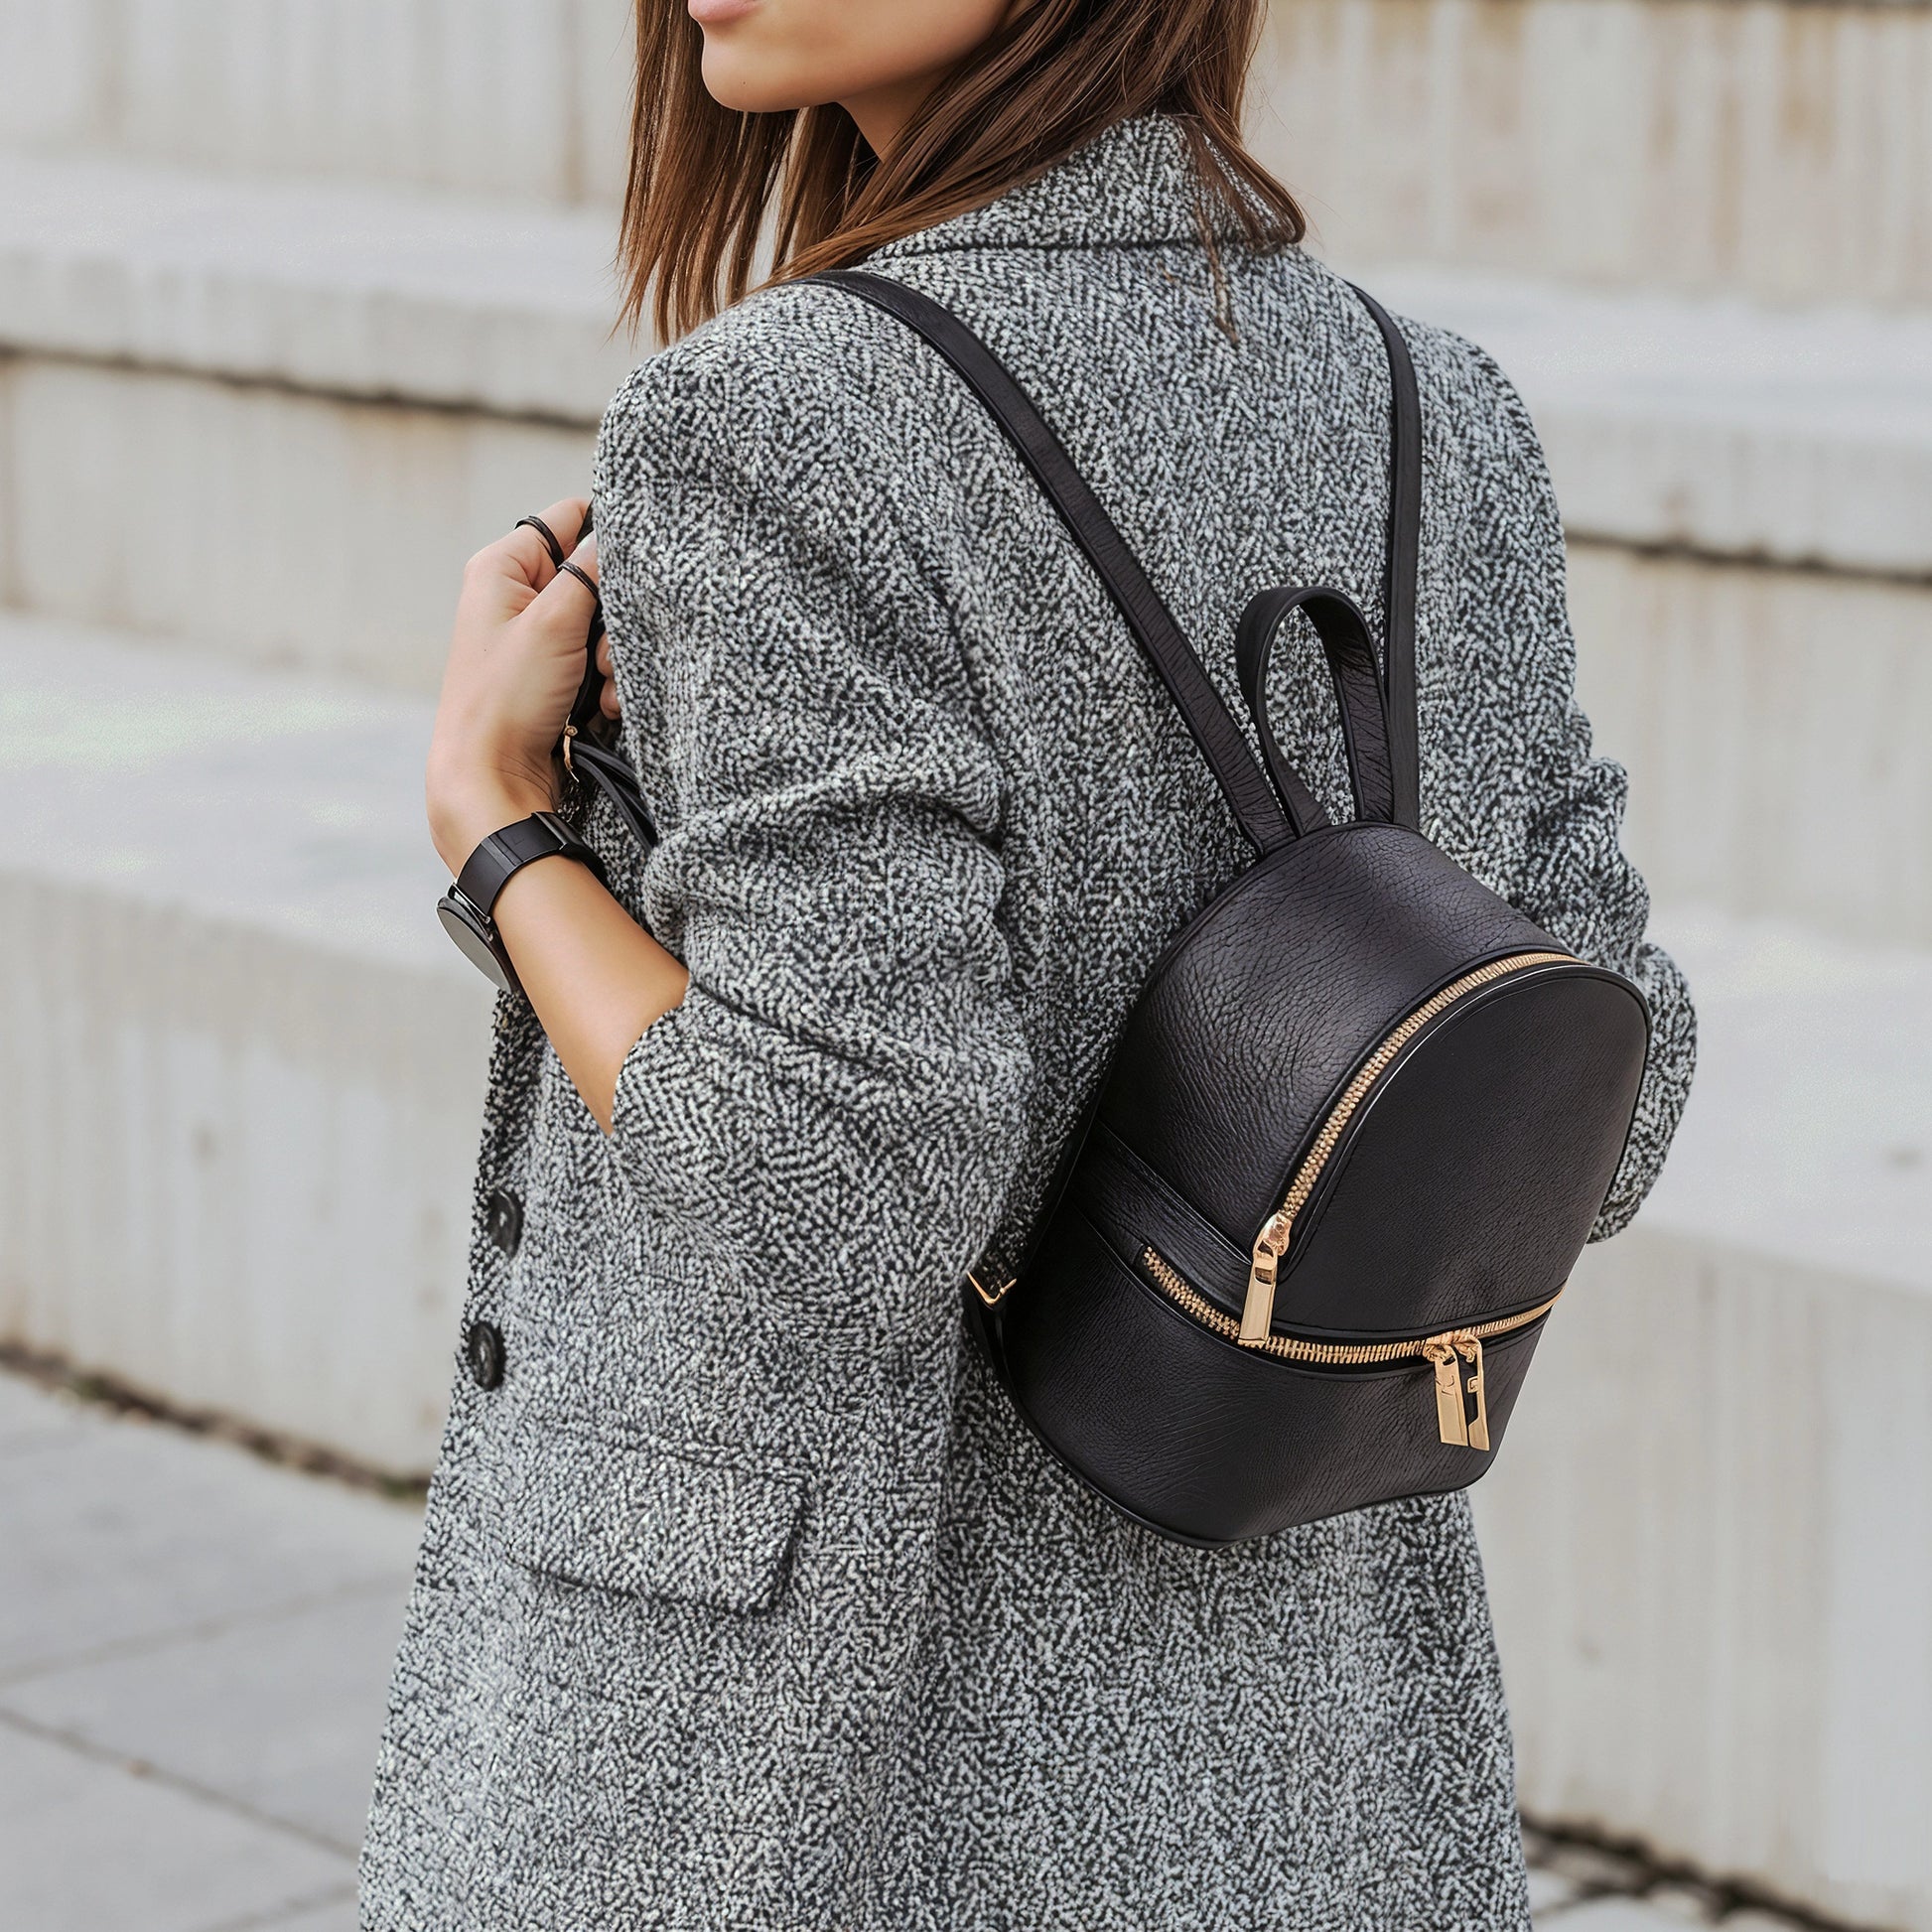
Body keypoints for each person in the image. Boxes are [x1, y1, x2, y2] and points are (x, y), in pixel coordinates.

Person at [358, 1, 1696, 1926]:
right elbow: (1612, 1094)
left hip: (812, 1748)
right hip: (1307, 1720)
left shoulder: (776, 415)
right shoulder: (1429, 404)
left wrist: (499, 828)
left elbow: (828, 1190)